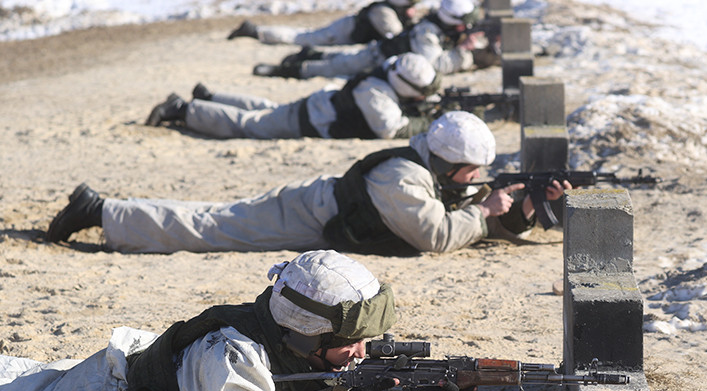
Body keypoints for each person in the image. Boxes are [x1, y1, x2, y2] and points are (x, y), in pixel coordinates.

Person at [0, 250, 455, 391]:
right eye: (350, 342)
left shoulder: (299, 351)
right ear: (308, 336)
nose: (361, 351)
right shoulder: (231, 357)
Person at [46, 111, 570, 255]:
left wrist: (524, 206)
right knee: (210, 227)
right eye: (471, 172)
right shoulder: (403, 178)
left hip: (316, 210)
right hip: (307, 213)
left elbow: (468, 215)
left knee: (211, 218)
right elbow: (436, 234)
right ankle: (99, 211)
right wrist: (483, 209)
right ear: (449, 163)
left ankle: (107, 210)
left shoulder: (423, 166)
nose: (475, 181)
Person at [145, 52, 441, 140]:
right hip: (313, 119)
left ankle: (211, 97)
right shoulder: (375, 91)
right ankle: (183, 109)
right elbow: (389, 129)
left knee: (268, 110)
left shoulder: (389, 70)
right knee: (250, 125)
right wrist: (428, 123)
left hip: (318, 107)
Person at [254, 0, 500, 80]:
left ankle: (307, 56)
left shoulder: (435, 27)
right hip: (375, 56)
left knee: (335, 61)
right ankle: (282, 70)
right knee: (329, 69)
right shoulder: (426, 31)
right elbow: (434, 65)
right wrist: (462, 51)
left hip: (379, 57)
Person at [228, 0, 424, 47]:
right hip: (339, 33)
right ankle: (254, 31)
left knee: (303, 36)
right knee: (301, 38)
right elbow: (396, 36)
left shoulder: (391, 10)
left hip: (344, 31)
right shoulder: (384, 12)